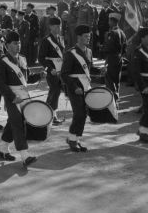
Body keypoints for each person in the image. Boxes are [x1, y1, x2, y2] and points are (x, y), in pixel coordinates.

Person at [0, 30, 44, 166]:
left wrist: (40, 75)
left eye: (20, 43)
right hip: (12, 97)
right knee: (18, 124)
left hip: (24, 96)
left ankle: (3, 149)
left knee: (13, 123)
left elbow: (26, 79)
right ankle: (25, 155)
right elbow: (0, 83)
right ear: (8, 45)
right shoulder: (2, 61)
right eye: (15, 43)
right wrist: (11, 97)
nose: (18, 46)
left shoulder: (22, 58)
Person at [61, 24, 96, 152]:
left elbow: (87, 70)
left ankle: (76, 138)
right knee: (79, 113)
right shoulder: (70, 53)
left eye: (89, 36)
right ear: (79, 37)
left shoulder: (89, 51)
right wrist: (74, 87)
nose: (88, 39)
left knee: (84, 114)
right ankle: (71, 139)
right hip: (74, 87)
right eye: (86, 36)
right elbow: (64, 74)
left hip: (86, 86)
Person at [38, 16, 65, 125]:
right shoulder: (46, 40)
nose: (59, 28)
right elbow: (41, 58)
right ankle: (48, 115)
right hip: (52, 70)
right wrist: (50, 69)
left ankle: (51, 115)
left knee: (56, 92)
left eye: (60, 26)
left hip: (60, 70)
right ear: (50, 27)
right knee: (54, 91)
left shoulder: (60, 38)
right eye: (56, 26)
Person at [103, 12, 126, 106]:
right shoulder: (122, 32)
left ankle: (113, 100)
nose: (108, 22)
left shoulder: (112, 33)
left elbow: (109, 47)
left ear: (112, 21)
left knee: (110, 80)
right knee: (116, 80)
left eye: (109, 20)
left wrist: (102, 49)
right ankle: (115, 99)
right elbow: (125, 47)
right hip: (119, 58)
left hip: (112, 58)